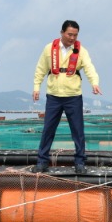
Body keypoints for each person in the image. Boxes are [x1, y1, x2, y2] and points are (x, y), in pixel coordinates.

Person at [32, 20, 101, 175]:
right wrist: (36, 87)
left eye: (75, 35)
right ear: (62, 32)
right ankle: (42, 161)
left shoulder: (81, 50)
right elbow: (41, 68)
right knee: (48, 129)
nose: (72, 38)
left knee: (77, 131)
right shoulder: (49, 49)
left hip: (73, 96)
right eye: (69, 34)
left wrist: (94, 83)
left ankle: (80, 161)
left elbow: (89, 67)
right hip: (53, 96)